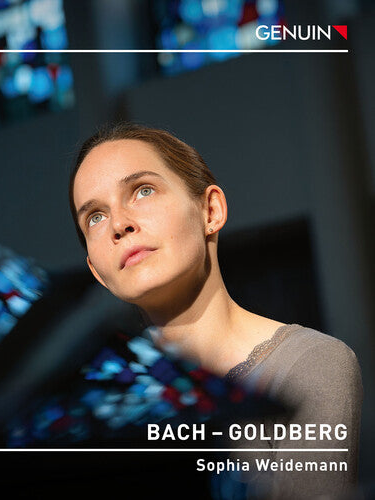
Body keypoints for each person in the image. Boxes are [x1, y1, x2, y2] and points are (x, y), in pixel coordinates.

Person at [68, 122, 363, 499]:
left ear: (210, 210)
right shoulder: (94, 405)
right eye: (95, 216)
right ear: (97, 271)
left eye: (143, 190)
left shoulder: (309, 364)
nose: (119, 224)